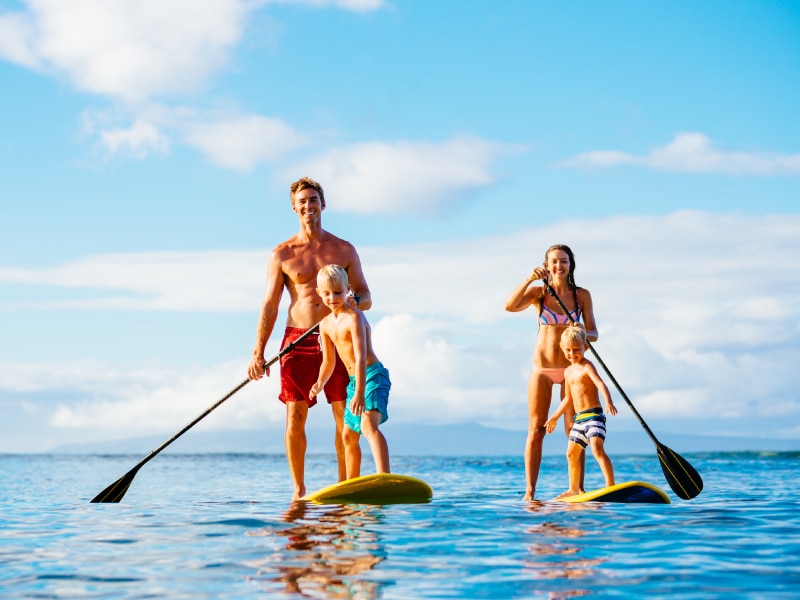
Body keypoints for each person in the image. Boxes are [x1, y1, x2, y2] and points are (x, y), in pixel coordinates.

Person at [247, 177, 372, 501]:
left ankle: (346, 486)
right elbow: (270, 304)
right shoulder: (282, 254)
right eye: (302, 201)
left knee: (344, 413)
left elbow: (366, 295)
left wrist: (351, 303)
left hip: (338, 336)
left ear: (323, 205)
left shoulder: (344, 249)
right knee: (295, 414)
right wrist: (258, 352)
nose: (308, 206)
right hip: (296, 340)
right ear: (294, 207)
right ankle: (299, 490)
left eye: (313, 200)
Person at [504, 244, 598, 501]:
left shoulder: (582, 296)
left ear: (571, 265)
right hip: (543, 369)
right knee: (536, 429)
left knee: (575, 429)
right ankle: (530, 493)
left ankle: (576, 489)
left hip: (572, 371)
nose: (559, 266)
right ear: (546, 265)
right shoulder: (539, 293)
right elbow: (509, 307)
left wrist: (581, 332)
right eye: (554, 261)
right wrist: (529, 279)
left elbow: (594, 334)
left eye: (564, 261)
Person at [310, 264, 391, 480]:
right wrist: (319, 383)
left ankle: (384, 476)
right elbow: (328, 361)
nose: (332, 297)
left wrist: (359, 392)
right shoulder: (325, 324)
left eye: (338, 292)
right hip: (355, 382)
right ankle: (351, 483)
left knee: (367, 425)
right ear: (319, 293)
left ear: (348, 289)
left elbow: (361, 356)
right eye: (326, 293)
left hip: (371, 376)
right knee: (347, 435)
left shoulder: (354, 317)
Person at [545, 325, 617, 498]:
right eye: (568, 350)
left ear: (586, 347)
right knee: (571, 454)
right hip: (579, 420)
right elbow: (567, 399)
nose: (572, 353)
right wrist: (554, 417)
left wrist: (608, 401)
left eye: (576, 349)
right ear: (562, 349)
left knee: (597, 448)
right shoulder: (568, 371)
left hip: (594, 416)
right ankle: (574, 488)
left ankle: (610, 485)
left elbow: (600, 384)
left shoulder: (587, 366)